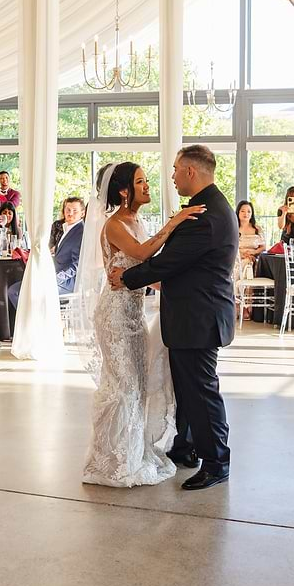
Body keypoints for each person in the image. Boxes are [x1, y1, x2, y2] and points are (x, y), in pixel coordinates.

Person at [108, 144, 237, 491]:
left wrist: (127, 279)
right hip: (196, 312)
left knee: (201, 392)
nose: (172, 176)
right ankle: (187, 447)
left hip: (198, 316)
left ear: (191, 172)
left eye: (176, 169)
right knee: (189, 389)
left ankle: (217, 462)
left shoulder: (204, 215)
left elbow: (168, 262)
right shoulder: (210, 206)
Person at [76, 161, 204, 488]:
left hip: (135, 315)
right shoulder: (114, 224)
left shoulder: (138, 220)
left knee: (137, 386)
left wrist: (184, 287)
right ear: (123, 191)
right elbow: (144, 251)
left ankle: (132, 454)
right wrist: (174, 222)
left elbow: (149, 271)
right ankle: (112, 462)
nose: (147, 186)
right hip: (115, 315)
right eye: (141, 181)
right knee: (123, 386)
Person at [8, 196, 85, 312]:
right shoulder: (67, 228)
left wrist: (56, 278)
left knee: (18, 292)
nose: (70, 213)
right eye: (68, 210)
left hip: (67, 284)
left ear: (82, 213)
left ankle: (34, 324)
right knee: (14, 290)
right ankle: (31, 323)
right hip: (53, 276)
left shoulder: (80, 232)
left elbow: (77, 265)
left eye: (75, 211)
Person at [236, 201, 266, 280]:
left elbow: (263, 247)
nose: (246, 214)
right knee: (243, 263)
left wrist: (253, 252)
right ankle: (239, 289)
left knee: (248, 262)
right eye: (242, 211)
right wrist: (241, 255)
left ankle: (244, 290)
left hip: (253, 259)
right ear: (238, 212)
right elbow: (229, 247)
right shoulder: (233, 228)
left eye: (249, 211)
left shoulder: (257, 229)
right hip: (237, 258)